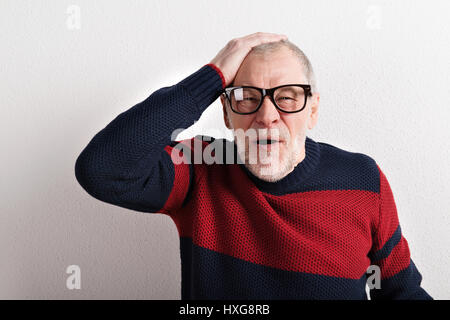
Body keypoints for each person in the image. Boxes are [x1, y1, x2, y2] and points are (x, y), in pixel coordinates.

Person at [74, 32, 432, 300]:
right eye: (246, 98)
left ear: (313, 109)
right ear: (227, 113)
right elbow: (101, 169)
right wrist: (211, 77)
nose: (266, 117)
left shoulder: (363, 180)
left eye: (287, 97)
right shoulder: (201, 168)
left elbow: (402, 293)